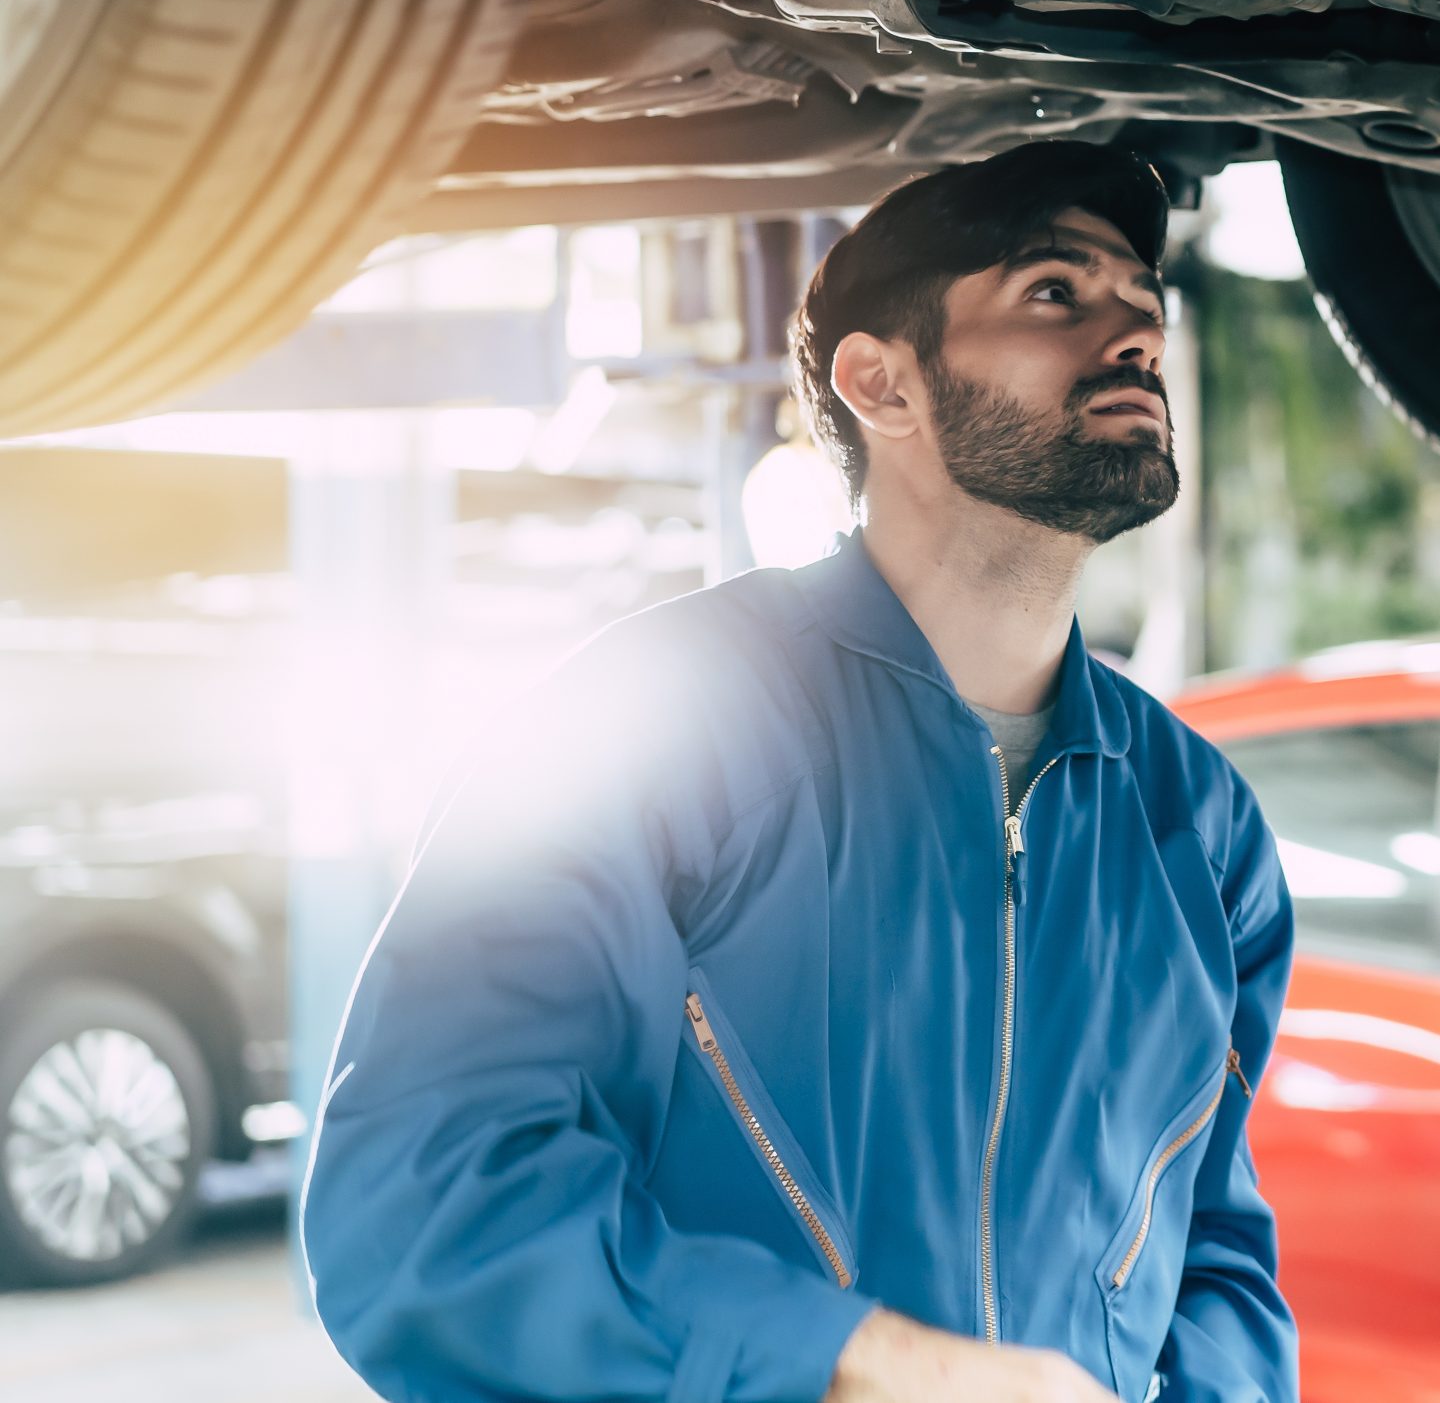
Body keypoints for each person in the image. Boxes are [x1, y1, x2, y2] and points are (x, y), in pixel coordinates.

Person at [301, 141, 1297, 1403]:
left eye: (1145, 309)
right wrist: (856, 1368)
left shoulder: (1201, 831)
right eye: (1057, 294)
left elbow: (1211, 1253)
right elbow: (421, 1206)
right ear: (883, 384)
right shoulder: (642, 724)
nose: (1135, 337)